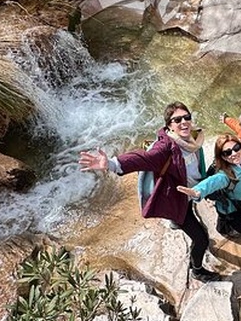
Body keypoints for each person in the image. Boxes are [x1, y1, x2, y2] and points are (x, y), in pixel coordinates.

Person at [79, 102, 219, 282]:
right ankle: (197, 270)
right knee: (202, 240)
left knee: (192, 212)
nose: (184, 122)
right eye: (177, 120)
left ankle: (175, 221)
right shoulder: (165, 147)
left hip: (189, 194)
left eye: (187, 117)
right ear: (169, 126)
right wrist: (112, 164)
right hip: (177, 199)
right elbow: (143, 158)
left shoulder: (193, 138)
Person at [177, 134, 241, 296]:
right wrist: (197, 192)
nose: (233, 153)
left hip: (233, 204)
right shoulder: (225, 176)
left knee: (223, 218)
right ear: (222, 157)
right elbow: (210, 184)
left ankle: (223, 228)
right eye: (227, 152)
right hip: (233, 211)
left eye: (236, 148)